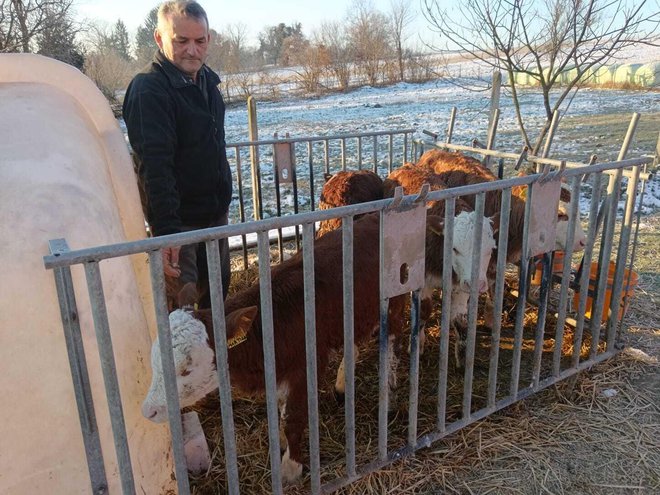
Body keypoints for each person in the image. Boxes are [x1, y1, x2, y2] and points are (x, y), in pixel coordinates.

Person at [123, 0, 233, 303]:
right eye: (181, 41)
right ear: (160, 38)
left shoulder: (208, 82)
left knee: (216, 300)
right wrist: (168, 232)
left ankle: (219, 351)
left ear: (208, 39)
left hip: (214, 216)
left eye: (199, 41)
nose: (192, 50)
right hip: (180, 225)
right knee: (183, 313)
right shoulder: (149, 89)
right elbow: (155, 166)